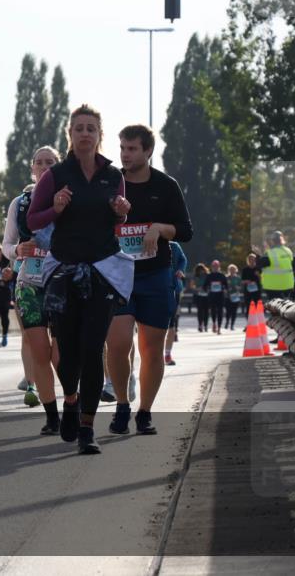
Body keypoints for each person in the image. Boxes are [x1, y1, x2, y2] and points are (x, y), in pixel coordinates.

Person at [26, 104, 132, 455]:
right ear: (69, 134)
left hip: (101, 271)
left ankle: (87, 426)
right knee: (67, 353)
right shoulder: (55, 175)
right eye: (78, 128)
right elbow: (34, 219)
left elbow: (118, 221)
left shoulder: (112, 175)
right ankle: (69, 397)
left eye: (91, 128)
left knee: (92, 349)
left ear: (100, 134)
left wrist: (121, 213)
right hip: (64, 272)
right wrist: (55, 207)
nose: (85, 134)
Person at [105, 124, 193, 436]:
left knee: (151, 349)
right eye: (122, 148)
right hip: (118, 277)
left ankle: (144, 412)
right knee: (116, 344)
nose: (125, 154)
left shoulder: (166, 185)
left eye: (131, 149)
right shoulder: (111, 184)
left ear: (147, 152)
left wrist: (159, 227)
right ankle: (121, 404)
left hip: (156, 276)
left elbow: (185, 231)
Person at [1, 145, 63, 434]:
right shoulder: (20, 203)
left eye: (50, 162)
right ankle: (52, 416)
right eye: (39, 162)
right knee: (39, 350)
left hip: (64, 281)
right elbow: (8, 245)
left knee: (61, 354)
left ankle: (71, 403)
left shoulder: (70, 199)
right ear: (32, 169)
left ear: (59, 166)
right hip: (29, 283)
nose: (44, 166)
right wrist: (18, 250)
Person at [164, 240, 187, 365]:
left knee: (171, 323)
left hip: (173, 288)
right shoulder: (147, 241)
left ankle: (167, 354)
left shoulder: (174, 245)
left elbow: (183, 260)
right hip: (153, 289)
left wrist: (180, 270)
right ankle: (154, 354)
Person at [256, 230, 295, 303]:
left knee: (275, 309)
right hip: (288, 285)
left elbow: (258, 265)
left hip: (272, 286)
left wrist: (259, 254)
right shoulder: (288, 251)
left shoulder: (269, 253)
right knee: (285, 308)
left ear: (272, 241)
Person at [203, 260, 227, 335]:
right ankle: (214, 323)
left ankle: (219, 328)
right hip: (212, 296)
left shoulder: (222, 275)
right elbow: (204, 286)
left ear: (219, 267)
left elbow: (226, 285)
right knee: (213, 311)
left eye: (216, 266)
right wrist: (208, 289)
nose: (215, 268)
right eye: (214, 266)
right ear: (212, 267)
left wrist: (224, 288)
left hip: (220, 296)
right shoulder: (209, 276)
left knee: (220, 311)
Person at [241, 254, 261, 322]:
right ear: (248, 260)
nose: (252, 261)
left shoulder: (258, 269)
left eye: (253, 259)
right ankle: (249, 322)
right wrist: (246, 281)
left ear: (255, 260)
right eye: (250, 259)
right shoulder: (245, 269)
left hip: (257, 290)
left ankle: (256, 322)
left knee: (256, 306)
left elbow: (263, 280)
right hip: (248, 290)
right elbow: (242, 281)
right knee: (248, 306)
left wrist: (259, 276)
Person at [192, 264, 209, 332]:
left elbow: (210, 284)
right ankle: (200, 325)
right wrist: (196, 289)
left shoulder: (208, 276)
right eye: (199, 270)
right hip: (198, 295)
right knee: (200, 311)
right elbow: (192, 285)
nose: (201, 271)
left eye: (202, 269)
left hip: (207, 295)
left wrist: (207, 288)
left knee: (206, 311)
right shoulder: (195, 276)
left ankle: (205, 325)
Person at [225, 263, 242, 331]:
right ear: (229, 270)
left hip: (235, 297)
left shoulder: (238, 278)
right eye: (231, 269)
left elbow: (241, 287)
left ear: (236, 270)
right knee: (228, 311)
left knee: (234, 311)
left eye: (233, 269)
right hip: (228, 296)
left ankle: (232, 325)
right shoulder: (226, 277)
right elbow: (224, 286)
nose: (232, 270)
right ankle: (227, 322)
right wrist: (225, 290)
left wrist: (237, 287)